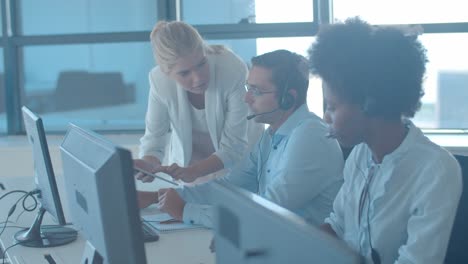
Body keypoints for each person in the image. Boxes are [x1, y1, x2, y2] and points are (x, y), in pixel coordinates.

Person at [308, 18, 462, 264]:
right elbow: (337, 226)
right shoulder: (360, 155)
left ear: (369, 103)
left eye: (332, 107)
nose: (326, 116)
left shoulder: (435, 170)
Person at [138, 49, 344, 228]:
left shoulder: (310, 136)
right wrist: (159, 198)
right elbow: (229, 187)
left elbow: (267, 211)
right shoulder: (270, 137)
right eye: (248, 88)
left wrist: (186, 212)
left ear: (288, 97)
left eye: (256, 91)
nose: (246, 98)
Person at [136, 21, 262, 185]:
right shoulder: (159, 81)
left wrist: (194, 171)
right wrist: (148, 164)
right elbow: (154, 139)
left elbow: (233, 146)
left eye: (202, 64)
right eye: (184, 73)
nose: (198, 78)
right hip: (189, 169)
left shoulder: (232, 68)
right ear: (167, 72)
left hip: (239, 163)